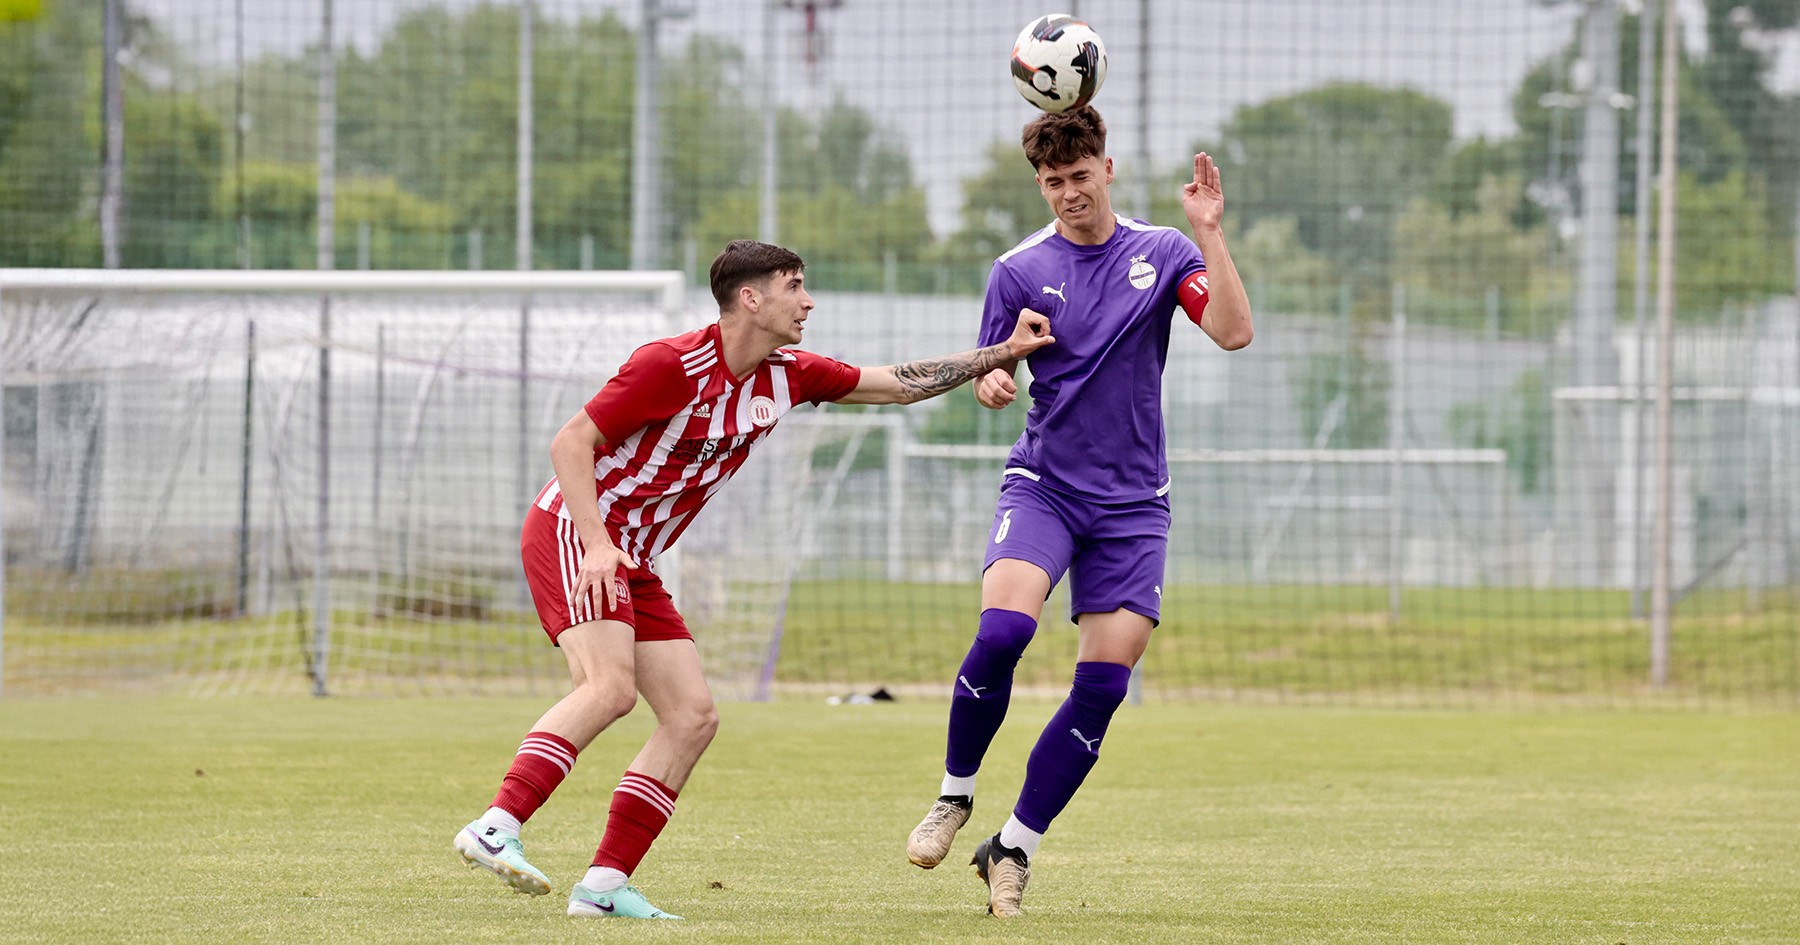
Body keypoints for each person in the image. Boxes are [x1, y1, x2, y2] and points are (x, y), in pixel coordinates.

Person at [453, 239, 1054, 920]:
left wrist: (1003, 351)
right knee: (610, 687)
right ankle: (495, 824)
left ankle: (602, 886)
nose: (809, 300)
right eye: (795, 285)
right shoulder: (670, 364)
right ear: (751, 298)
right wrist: (594, 544)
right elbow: (571, 442)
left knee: (691, 717)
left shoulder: (790, 373)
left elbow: (895, 382)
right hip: (577, 531)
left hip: (634, 556)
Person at [904, 106, 1253, 917]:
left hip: (1134, 505)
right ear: (1040, 183)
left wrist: (1210, 232)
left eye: (1080, 177)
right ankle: (955, 796)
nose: (1068, 194)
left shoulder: (1164, 252)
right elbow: (993, 372)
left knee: (1103, 683)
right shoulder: (1017, 269)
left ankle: (1013, 845)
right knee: (1003, 631)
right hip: (1045, 486)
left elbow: (1234, 332)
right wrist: (992, 380)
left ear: (1108, 169)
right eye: (1053, 182)